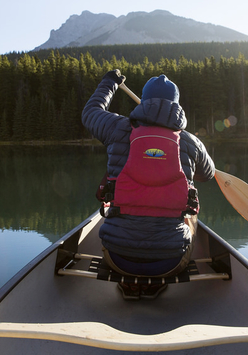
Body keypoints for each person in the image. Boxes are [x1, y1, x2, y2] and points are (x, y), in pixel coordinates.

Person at [82, 69, 215, 300]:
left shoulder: (116, 128)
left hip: (116, 258)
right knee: (190, 212)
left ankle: (129, 285)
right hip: (170, 262)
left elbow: (90, 113)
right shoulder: (190, 142)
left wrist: (110, 82)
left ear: (144, 100)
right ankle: (154, 285)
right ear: (176, 105)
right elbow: (208, 174)